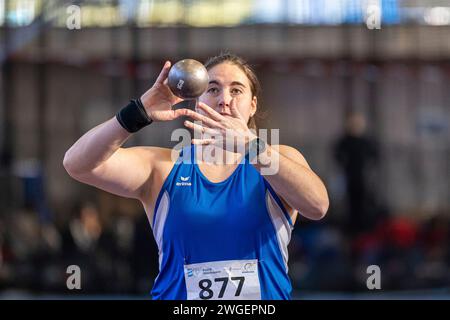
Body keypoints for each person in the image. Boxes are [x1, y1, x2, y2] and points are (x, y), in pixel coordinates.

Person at [63, 53, 329, 300]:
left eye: (236, 90)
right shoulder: (164, 167)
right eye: (212, 89)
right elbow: (77, 164)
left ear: (252, 105)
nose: (225, 99)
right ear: (197, 101)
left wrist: (251, 147)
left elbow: (317, 206)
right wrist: (139, 111)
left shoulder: (277, 160)